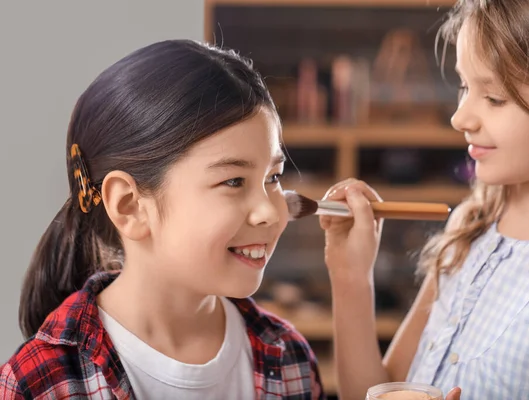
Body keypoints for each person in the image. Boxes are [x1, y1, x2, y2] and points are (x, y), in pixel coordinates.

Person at [0, 40, 323, 400]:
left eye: (274, 178)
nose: (269, 211)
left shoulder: (289, 357)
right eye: (234, 181)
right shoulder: (42, 384)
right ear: (129, 206)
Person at [320, 0, 529, 399]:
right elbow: (374, 391)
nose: (460, 118)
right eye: (465, 86)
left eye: (495, 98)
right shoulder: (469, 229)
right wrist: (351, 278)